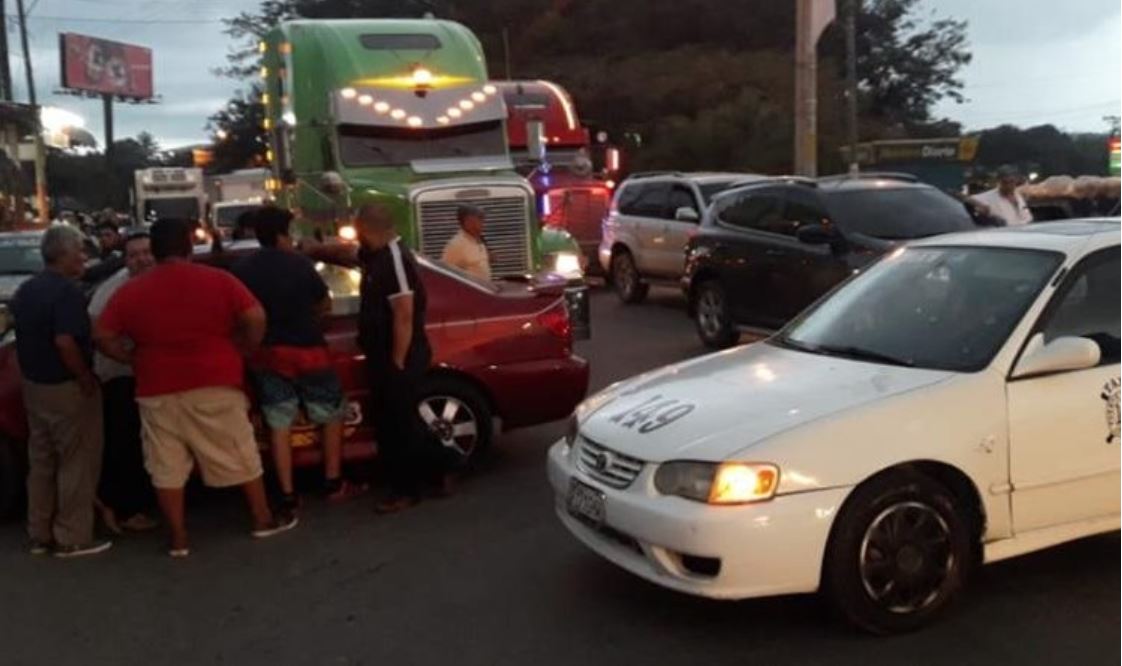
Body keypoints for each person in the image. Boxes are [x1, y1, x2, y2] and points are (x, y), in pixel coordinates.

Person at [94, 219, 297, 558]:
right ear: (189, 247)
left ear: (155, 252)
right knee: (239, 452)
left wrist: (130, 357)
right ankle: (262, 518)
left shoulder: (131, 291)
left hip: (156, 385)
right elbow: (256, 316)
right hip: (215, 377)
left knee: (166, 464)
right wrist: (242, 347)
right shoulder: (219, 280)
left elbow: (102, 335)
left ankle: (178, 537)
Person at [309, 204, 458, 513]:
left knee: (395, 426)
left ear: (366, 229)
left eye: (358, 230)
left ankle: (405, 490)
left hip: (398, 356)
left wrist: (397, 362)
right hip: (386, 355)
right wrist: (315, 250)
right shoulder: (376, 256)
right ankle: (442, 465)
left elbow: (403, 314)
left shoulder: (395, 260)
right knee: (404, 419)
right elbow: (349, 255)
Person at [232, 206, 362, 513]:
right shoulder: (300, 264)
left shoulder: (241, 269)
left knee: (278, 422)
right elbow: (324, 304)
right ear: (282, 234)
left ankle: (287, 493)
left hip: (267, 356)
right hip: (308, 351)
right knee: (330, 413)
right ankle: (333, 481)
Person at [10, 225, 111, 558]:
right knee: (77, 462)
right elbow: (65, 341)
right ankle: (72, 536)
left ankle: (39, 532)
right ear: (64, 254)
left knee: (41, 461)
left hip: (34, 386)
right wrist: (83, 376)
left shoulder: (26, 290)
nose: (83, 257)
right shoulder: (66, 293)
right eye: (79, 251)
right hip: (65, 387)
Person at [87, 228, 159, 534]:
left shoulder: (158, 282)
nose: (142, 259)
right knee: (126, 444)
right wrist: (131, 359)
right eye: (134, 255)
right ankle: (127, 510)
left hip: (148, 377)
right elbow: (98, 332)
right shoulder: (112, 291)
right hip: (120, 377)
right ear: (125, 259)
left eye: (147, 252)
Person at [440, 204, 491, 281]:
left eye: (482, 220)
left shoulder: (478, 239)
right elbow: (444, 273)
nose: (482, 224)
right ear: (467, 221)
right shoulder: (456, 244)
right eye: (479, 219)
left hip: (484, 289)